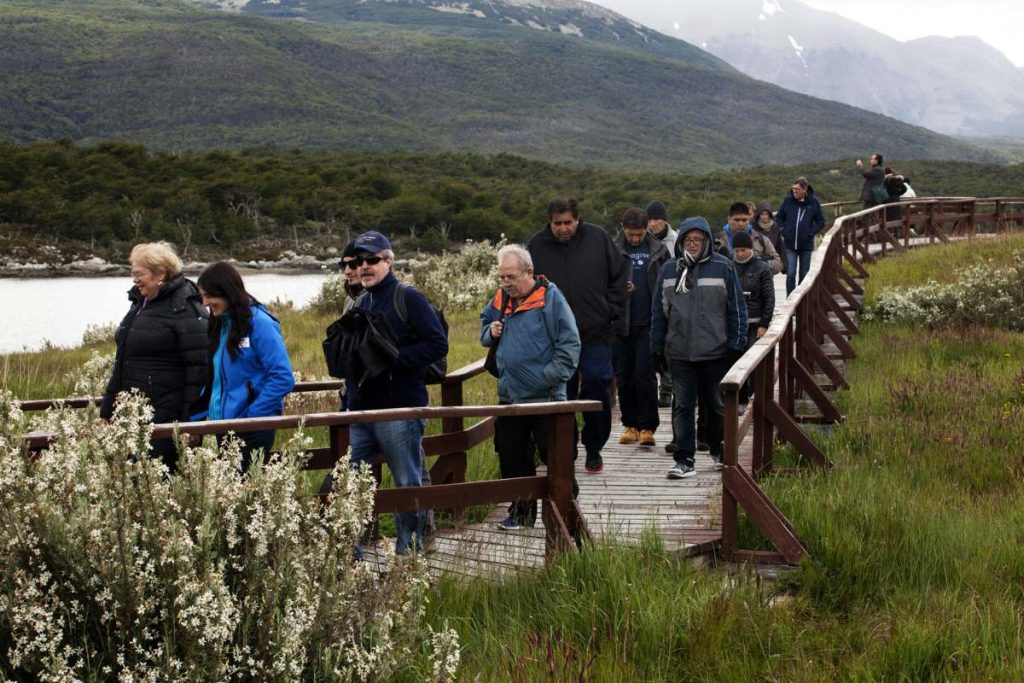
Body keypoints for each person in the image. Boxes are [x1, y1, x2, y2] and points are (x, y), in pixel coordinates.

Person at [342, 230, 448, 554]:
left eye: (372, 259)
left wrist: (399, 360)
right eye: (359, 261)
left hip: (400, 410)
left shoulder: (408, 297)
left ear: (389, 261)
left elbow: (436, 343)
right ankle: (352, 555)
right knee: (351, 484)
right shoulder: (361, 301)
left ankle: (409, 556)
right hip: (362, 412)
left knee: (406, 485)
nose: (364, 266)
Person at [480, 245, 581, 530]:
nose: (506, 283)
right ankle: (521, 515)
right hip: (510, 397)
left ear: (529, 272)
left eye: (511, 277)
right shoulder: (501, 298)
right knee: (512, 459)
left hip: (546, 398)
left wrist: (548, 377)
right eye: (502, 277)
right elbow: (484, 326)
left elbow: (570, 344)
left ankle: (567, 513)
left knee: (556, 458)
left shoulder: (550, 298)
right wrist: (491, 332)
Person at [528, 196, 629, 474]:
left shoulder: (599, 239)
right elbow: (526, 289)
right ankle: (566, 448)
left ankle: (594, 446)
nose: (563, 228)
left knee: (597, 386)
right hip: (555, 338)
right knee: (562, 394)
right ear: (550, 222)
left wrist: (614, 315)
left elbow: (619, 277)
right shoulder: (536, 246)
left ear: (578, 219)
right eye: (558, 223)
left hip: (596, 332)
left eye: (568, 223)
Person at [652, 218, 747, 478]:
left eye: (698, 240)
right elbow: (658, 313)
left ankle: (719, 451)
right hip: (679, 351)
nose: (692, 245)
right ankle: (684, 460)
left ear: (707, 241)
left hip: (715, 350)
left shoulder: (723, 267)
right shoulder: (669, 270)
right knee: (683, 405)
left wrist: (737, 344)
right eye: (688, 240)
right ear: (681, 241)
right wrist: (656, 348)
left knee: (715, 405)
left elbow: (737, 308)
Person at [101, 241, 208, 472]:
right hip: (133, 415)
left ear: (160, 274)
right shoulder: (140, 303)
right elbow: (122, 361)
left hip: (167, 416)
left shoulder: (185, 306)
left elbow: (198, 369)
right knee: (133, 482)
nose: (134, 280)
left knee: (158, 481)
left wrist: (192, 424)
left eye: (139, 274)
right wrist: (108, 409)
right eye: (132, 273)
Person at [194, 261, 295, 473]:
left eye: (208, 295)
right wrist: (197, 415)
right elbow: (214, 378)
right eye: (202, 296)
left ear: (226, 291)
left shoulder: (260, 323)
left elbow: (283, 376)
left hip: (251, 427)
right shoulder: (220, 324)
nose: (204, 302)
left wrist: (253, 416)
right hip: (223, 425)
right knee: (233, 496)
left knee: (246, 497)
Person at [614, 207, 670, 447]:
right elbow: (602, 282)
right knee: (624, 376)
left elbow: (670, 280)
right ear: (622, 228)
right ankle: (630, 425)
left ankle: (648, 426)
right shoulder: (612, 250)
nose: (635, 239)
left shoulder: (659, 250)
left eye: (639, 234)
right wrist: (618, 289)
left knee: (645, 376)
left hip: (649, 321)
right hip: (621, 322)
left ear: (647, 228)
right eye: (630, 234)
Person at [730, 231, 775, 404]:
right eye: (737, 250)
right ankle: (740, 400)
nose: (740, 254)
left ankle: (755, 400)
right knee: (736, 361)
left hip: (755, 323)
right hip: (735, 324)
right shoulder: (729, 266)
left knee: (753, 363)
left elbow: (769, 298)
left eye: (743, 250)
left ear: (750, 249)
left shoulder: (762, 267)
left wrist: (764, 323)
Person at [646, 199, 677, 409]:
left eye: (656, 219)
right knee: (654, 347)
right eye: (649, 219)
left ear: (664, 220)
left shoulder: (676, 240)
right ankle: (659, 390)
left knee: (669, 346)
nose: (652, 224)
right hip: (649, 298)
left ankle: (667, 389)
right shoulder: (643, 240)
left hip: (672, 298)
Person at [776, 177, 826, 295]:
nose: (794, 191)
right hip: (790, 244)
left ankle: (802, 301)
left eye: (797, 189)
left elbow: (821, 221)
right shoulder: (788, 201)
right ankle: (790, 301)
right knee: (791, 274)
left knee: (804, 275)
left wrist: (811, 232)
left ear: (805, 189)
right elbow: (779, 217)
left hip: (806, 245)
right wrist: (783, 230)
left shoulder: (813, 202)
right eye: (793, 189)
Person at [722, 202, 783, 275]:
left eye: (744, 220)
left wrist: (760, 266)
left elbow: (778, 263)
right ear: (729, 219)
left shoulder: (760, 239)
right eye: (737, 220)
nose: (741, 224)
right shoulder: (718, 241)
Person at [752, 202, 785, 273]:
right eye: (762, 214)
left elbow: (779, 245)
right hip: (757, 259)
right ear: (758, 215)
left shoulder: (775, 226)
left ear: (769, 215)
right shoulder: (754, 227)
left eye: (766, 214)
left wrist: (783, 265)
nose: (764, 216)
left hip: (770, 260)